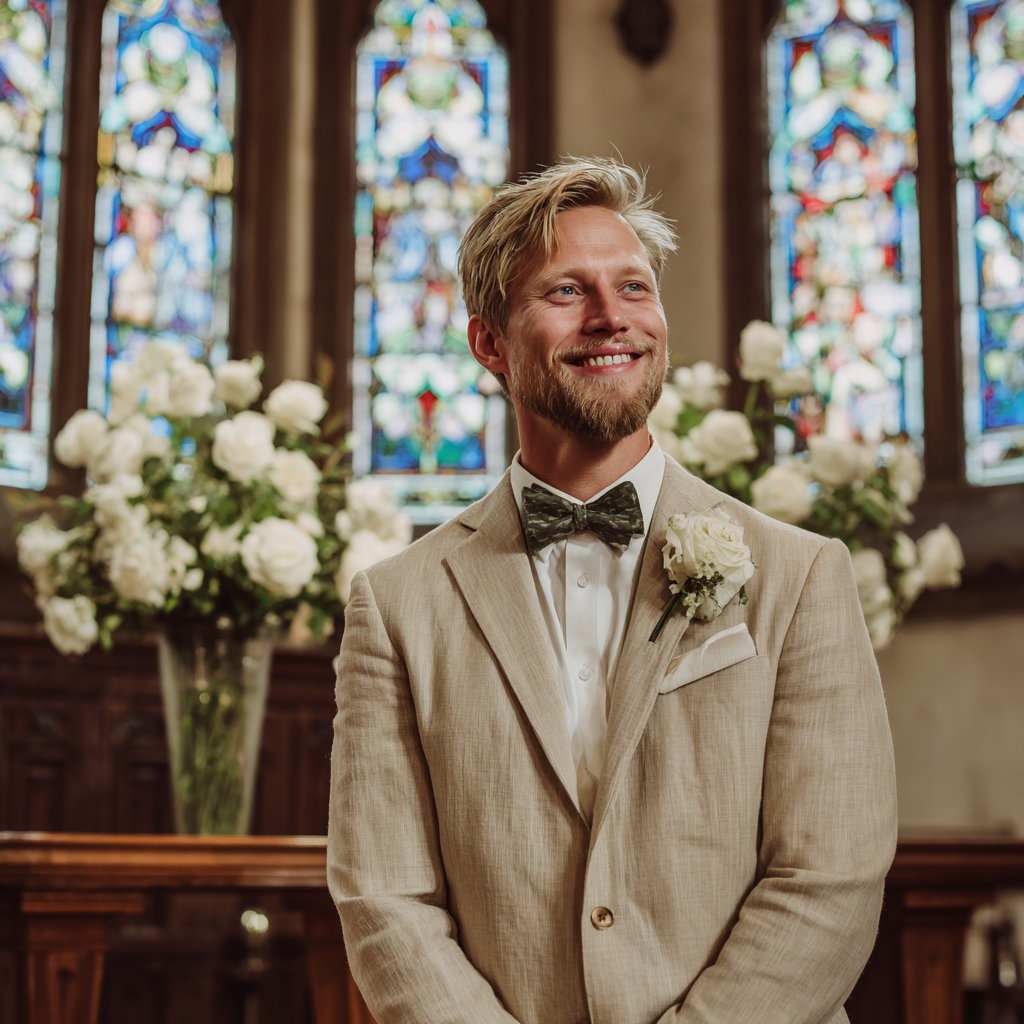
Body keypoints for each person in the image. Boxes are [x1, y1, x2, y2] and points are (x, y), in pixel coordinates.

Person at [327, 157, 897, 1024]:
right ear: (489, 343)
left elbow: (829, 877)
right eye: (566, 292)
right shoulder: (398, 604)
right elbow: (384, 898)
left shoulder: (800, 574)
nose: (611, 318)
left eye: (633, 286)